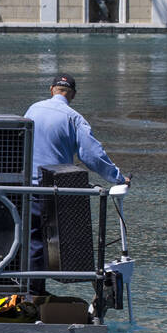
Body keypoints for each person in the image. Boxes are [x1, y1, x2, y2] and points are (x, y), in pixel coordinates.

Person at [24, 73, 128, 295]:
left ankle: (30, 290)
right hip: (55, 189)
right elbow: (92, 156)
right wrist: (118, 177)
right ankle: (36, 294)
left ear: (52, 89)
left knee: (32, 240)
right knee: (60, 242)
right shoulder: (74, 118)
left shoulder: (32, 110)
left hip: (26, 188)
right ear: (73, 94)